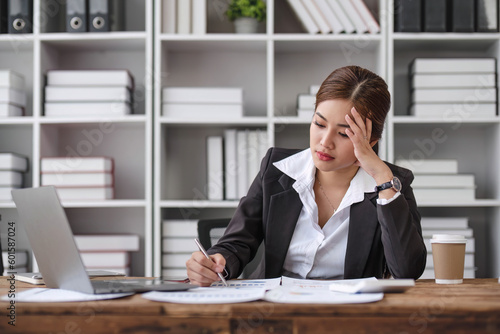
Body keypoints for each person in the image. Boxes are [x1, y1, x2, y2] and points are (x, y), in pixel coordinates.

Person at [186, 65, 427, 286]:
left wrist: (382, 178)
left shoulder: (392, 184)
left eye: (344, 134)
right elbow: (237, 242)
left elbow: (407, 270)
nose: (324, 142)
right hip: (273, 310)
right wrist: (218, 262)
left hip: (347, 316)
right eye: (319, 124)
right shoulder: (276, 169)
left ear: (371, 141)